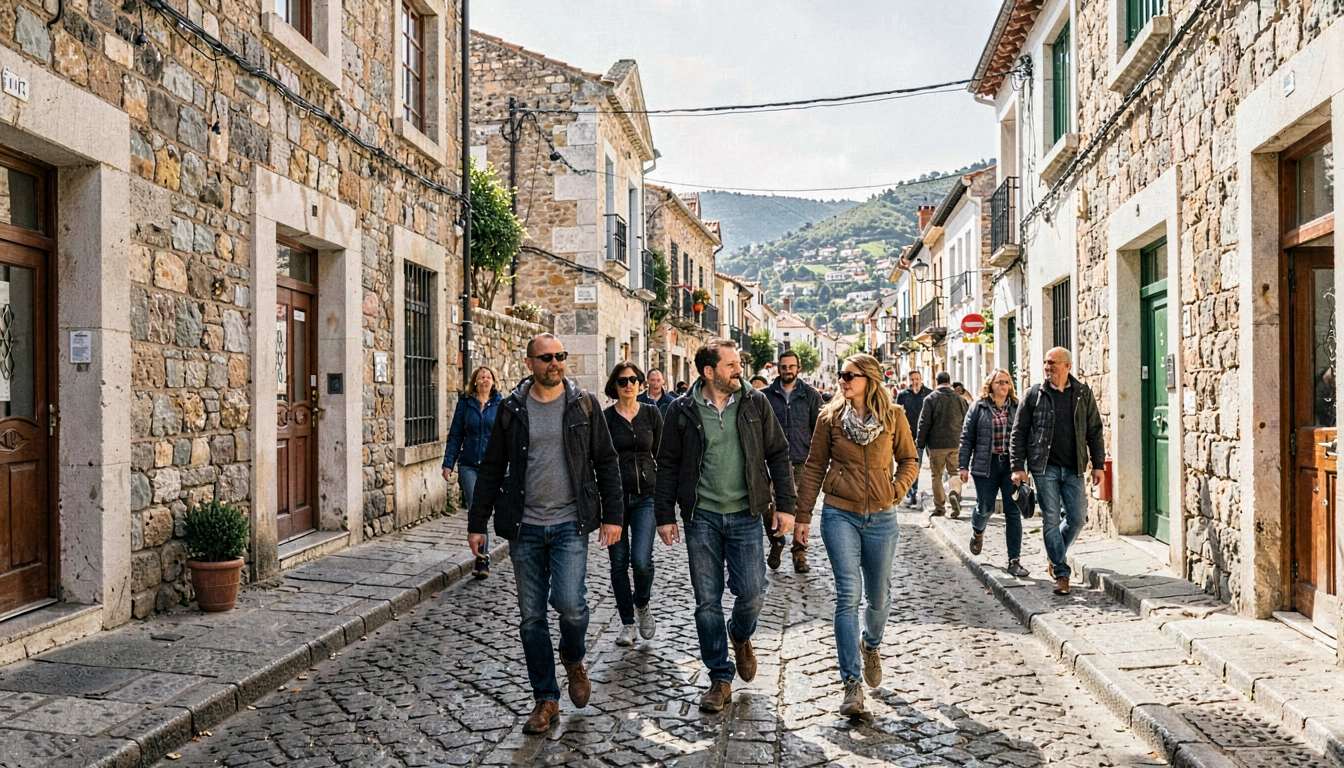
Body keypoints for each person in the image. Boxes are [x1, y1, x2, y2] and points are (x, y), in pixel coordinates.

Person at [468, 333, 625, 734]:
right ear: (529, 363)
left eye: (560, 356)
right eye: (546, 357)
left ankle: (573, 657)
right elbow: (490, 468)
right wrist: (477, 523)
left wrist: (613, 517)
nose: (555, 363)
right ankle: (546, 698)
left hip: (572, 523)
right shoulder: (511, 409)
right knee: (531, 616)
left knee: (571, 605)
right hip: (526, 527)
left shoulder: (584, 404)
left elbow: (606, 462)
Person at [655, 338, 796, 713]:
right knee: (706, 601)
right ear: (709, 371)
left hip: (747, 513)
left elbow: (778, 454)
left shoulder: (755, 402)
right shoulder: (682, 410)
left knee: (752, 591)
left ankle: (740, 634)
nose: (740, 370)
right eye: (732, 365)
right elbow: (667, 464)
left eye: (739, 364)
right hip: (701, 515)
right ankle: (719, 675)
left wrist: (786, 506)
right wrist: (664, 515)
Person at [794, 353, 919, 717]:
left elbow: (910, 459)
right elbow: (815, 466)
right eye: (840, 375)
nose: (842, 380)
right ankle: (851, 685)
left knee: (879, 598)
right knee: (848, 595)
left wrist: (895, 490)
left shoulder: (894, 416)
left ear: (868, 378)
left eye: (849, 375)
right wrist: (803, 516)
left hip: (882, 517)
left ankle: (871, 644)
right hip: (839, 514)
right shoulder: (829, 417)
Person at [1010, 347, 1106, 596]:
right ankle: (1062, 574)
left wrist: (1098, 464)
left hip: (1074, 468)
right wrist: (1017, 467)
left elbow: (1094, 430)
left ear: (1067, 366)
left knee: (1076, 518)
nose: (1047, 367)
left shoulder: (1082, 394)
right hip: (1044, 468)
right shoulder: (1034, 394)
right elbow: (1019, 432)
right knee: (1051, 519)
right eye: (1045, 363)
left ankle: (1054, 557)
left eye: (1052, 363)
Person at [603, 362, 663, 647]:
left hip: (647, 496)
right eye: (623, 380)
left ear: (641, 384)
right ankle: (627, 623)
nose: (629, 384)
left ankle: (642, 605)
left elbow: (664, 455)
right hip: (615, 499)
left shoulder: (651, 414)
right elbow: (598, 462)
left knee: (641, 560)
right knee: (618, 562)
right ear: (615, 385)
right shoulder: (605, 420)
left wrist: (667, 495)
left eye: (634, 379)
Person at [958, 370, 1028, 577]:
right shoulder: (978, 408)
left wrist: (1023, 466)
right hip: (985, 466)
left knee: (1013, 512)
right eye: (999, 382)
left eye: (1007, 382)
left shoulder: (1017, 408)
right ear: (990, 385)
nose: (1003, 386)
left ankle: (1014, 560)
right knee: (985, 508)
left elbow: (1025, 436)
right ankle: (977, 530)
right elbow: (966, 438)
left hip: (1010, 466)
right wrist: (962, 466)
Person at [763, 351, 823, 573]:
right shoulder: (765, 396)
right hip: (770, 462)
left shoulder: (811, 396)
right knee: (768, 507)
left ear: (799, 368)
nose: (787, 370)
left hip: (800, 459)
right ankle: (776, 542)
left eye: (791, 366)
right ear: (778, 368)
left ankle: (799, 553)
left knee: (801, 509)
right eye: (783, 366)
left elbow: (818, 430)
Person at [443, 366, 502, 579]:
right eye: (480, 377)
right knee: (477, 509)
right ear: (474, 382)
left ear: (494, 381)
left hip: (494, 467)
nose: (485, 380)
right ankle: (482, 558)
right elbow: (455, 435)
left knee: (497, 510)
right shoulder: (465, 405)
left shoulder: (502, 404)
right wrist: (448, 463)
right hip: (468, 464)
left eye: (488, 377)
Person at [917, 372, 969, 517]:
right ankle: (954, 495)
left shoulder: (930, 399)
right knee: (955, 473)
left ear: (936, 381)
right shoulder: (960, 400)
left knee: (936, 476)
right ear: (949, 382)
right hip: (956, 443)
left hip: (936, 444)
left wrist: (920, 443)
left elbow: (924, 423)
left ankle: (939, 508)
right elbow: (967, 422)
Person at [896, 371, 932, 506]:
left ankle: (940, 493)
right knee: (914, 466)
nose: (915, 381)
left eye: (917, 379)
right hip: (911, 436)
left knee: (936, 467)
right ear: (909, 380)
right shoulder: (903, 395)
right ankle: (912, 493)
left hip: (928, 435)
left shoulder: (929, 393)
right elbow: (897, 414)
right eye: (912, 379)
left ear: (921, 379)